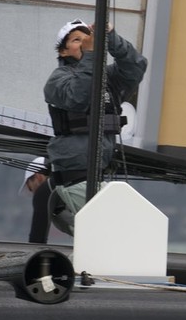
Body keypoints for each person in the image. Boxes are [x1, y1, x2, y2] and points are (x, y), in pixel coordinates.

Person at [43, 19, 147, 234]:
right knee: (113, 231)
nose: (83, 43)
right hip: (76, 175)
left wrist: (111, 37)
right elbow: (79, 97)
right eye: (76, 40)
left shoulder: (108, 78)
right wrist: (91, 55)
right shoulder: (57, 80)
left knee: (115, 231)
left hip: (99, 172)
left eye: (87, 39)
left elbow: (136, 66)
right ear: (63, 52)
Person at [19, 156, 50, 244]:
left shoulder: (43, 192)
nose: (33, 193)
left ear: (38, 176)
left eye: (30, 188)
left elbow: (36, 240)